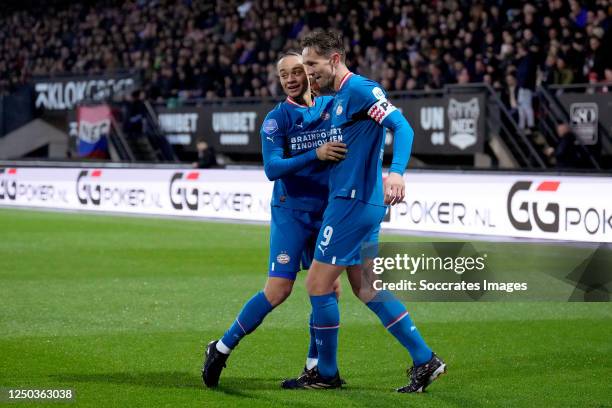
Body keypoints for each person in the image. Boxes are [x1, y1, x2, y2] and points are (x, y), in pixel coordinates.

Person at [282, 29, 445, 392]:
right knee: (368, 288)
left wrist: (397, 173)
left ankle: (325, 373)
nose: (306, 73)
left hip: (353, 204)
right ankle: (425, 360)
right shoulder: (340, 98)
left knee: (318, 284)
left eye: (312, 64)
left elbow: (401, 126)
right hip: (357, 202)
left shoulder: (360, 90)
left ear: (335, 59)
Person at [202, 52, 348, 387]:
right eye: (285, 76)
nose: (292, 79)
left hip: (326, 211)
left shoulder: (331, 107)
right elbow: (272, 169)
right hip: (290, 212)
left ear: (310, 73)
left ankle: (317, 367)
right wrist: (315, 153)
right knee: (279, 289)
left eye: (298, 71)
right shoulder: (276, 119)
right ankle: (221, 348)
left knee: (329, 288)